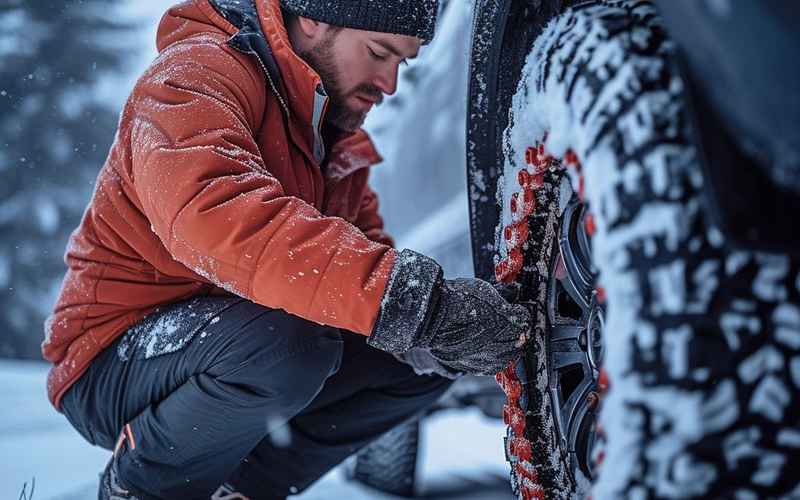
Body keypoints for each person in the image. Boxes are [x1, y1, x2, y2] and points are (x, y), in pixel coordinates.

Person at [41, 0, 531, 499]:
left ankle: (236, 490)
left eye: (401, 63)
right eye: (379, 53)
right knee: (293, 344)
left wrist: (432, 321)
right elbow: (215, 217)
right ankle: (144, 489)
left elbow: (361, 258)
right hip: (112, 357)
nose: (390, 84)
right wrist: (407, 301)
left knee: (417, 357)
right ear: (314, 19)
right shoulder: (195, 76)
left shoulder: (328, 136)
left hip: (231, 339)